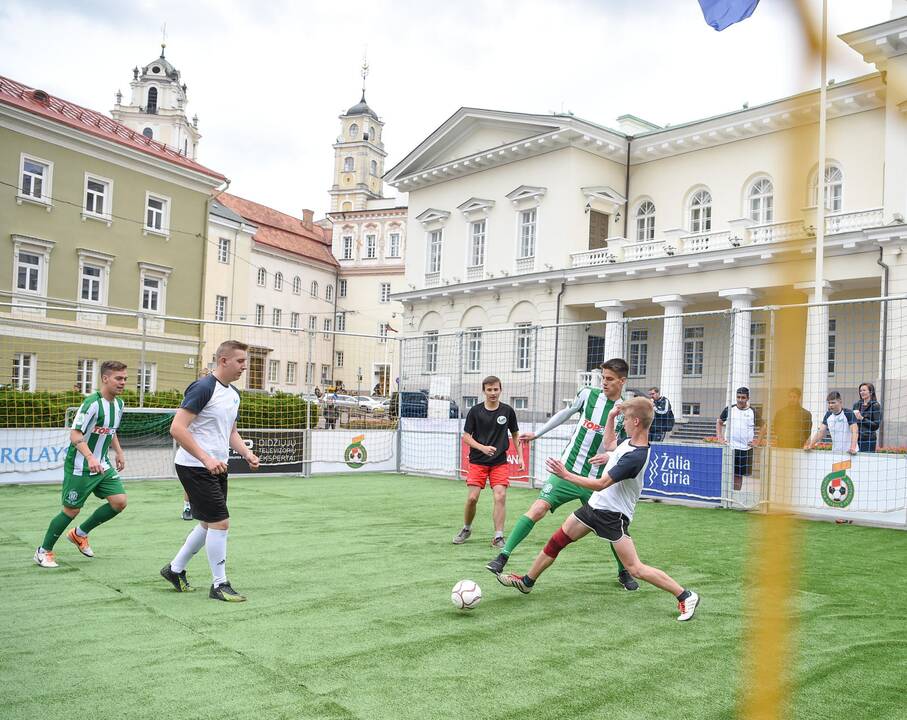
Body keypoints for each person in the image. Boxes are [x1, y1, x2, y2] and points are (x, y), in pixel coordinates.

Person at [497, 397, 699, 622]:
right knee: (557, 541)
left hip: (612, 516)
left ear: (636, 421)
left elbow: (601, 484)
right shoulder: (629, 442)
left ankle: (685, 595)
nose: (623, 421)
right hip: (594, 508)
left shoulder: (637, 456)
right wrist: (611, 417)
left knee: (635, 568)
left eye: (625, 418)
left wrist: (566, 475)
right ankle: (527, 582)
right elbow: (610, 443)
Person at [486, 358, 638, 592]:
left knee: (612, 526)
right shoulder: (588, 395)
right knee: (538, 509)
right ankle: (503, 556)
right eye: (602, 378)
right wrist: (537, 433)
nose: (604, 383)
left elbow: (624, 445)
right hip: (565, 471)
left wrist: (610, 457)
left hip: (595, 481)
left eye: (609, 379)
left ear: (622, 381)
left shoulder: (626, 410)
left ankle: (624, 572)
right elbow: (565, 413)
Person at [160, 340, 260, 602]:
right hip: (194, 466)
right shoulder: (203, 387)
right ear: (223, 360)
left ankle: (174, 570)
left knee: (208, 523)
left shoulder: (234, 394)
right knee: (220, 522)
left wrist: (247, 453)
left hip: (217, 467)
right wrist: (205, 458)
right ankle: (219, 585)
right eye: (240, 361)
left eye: (245, 361)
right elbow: (177, 428)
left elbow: (231, 432)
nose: (244, 367)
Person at [34, 361, 129, 568]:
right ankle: (43, 551)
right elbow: (75, 434)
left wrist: (119, 452)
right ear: (105, 379)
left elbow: (110, 431)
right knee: (71, 510)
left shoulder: (119, 404)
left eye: (125, 379)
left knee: (119, 502)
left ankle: (79, 534)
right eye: (118, 378)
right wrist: (89, 457)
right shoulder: (92, 404)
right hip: (81, 465)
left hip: (101, 464)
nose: (123, 383)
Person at [453, 376, 521, 548]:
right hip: (477, 462)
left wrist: (520, 457)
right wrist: (482, 448)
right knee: (472, 498)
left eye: (496, 389)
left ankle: (498, 537)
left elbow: (515, 434)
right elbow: (466, 437)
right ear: (484, 391)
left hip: (499, 462)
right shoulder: (475, 411)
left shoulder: (507, 411)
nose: (493, 393)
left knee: (500, 496)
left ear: (500, 390)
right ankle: (466, 528)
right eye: (489, 390)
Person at [716, 387, 764, 491]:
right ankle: (725, 496)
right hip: (730, 447)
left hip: (745, 449)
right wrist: (719, 437)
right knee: (726, 473)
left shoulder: (752, 411)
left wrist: (758, 441)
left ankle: (736, 496)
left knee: (738, 475)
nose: (740, 400)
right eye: (738, 397)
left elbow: (763, 426)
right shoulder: (729, 409)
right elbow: (719, 422)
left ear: (747, 398)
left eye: (743, 397)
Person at [853, 382, 882, 453]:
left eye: (864, 390)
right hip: (856, 438)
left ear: (871, 392)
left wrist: (862, 418)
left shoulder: (875, 405)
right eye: (860, 391)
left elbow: (876, 425)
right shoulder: (856, 405)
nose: (862, 392)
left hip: (868, 439)